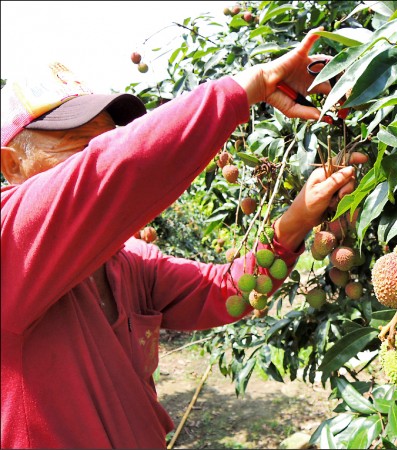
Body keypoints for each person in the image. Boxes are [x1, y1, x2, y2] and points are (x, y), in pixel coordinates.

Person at [1, 29, 367, 448]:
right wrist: (247, 88)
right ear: (12, 167)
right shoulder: (6, 244)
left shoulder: (130, 262)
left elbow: (229, 290)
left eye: (104, 139)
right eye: (75, 146)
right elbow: (115, 170)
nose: (93, 157)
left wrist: (302, 214)